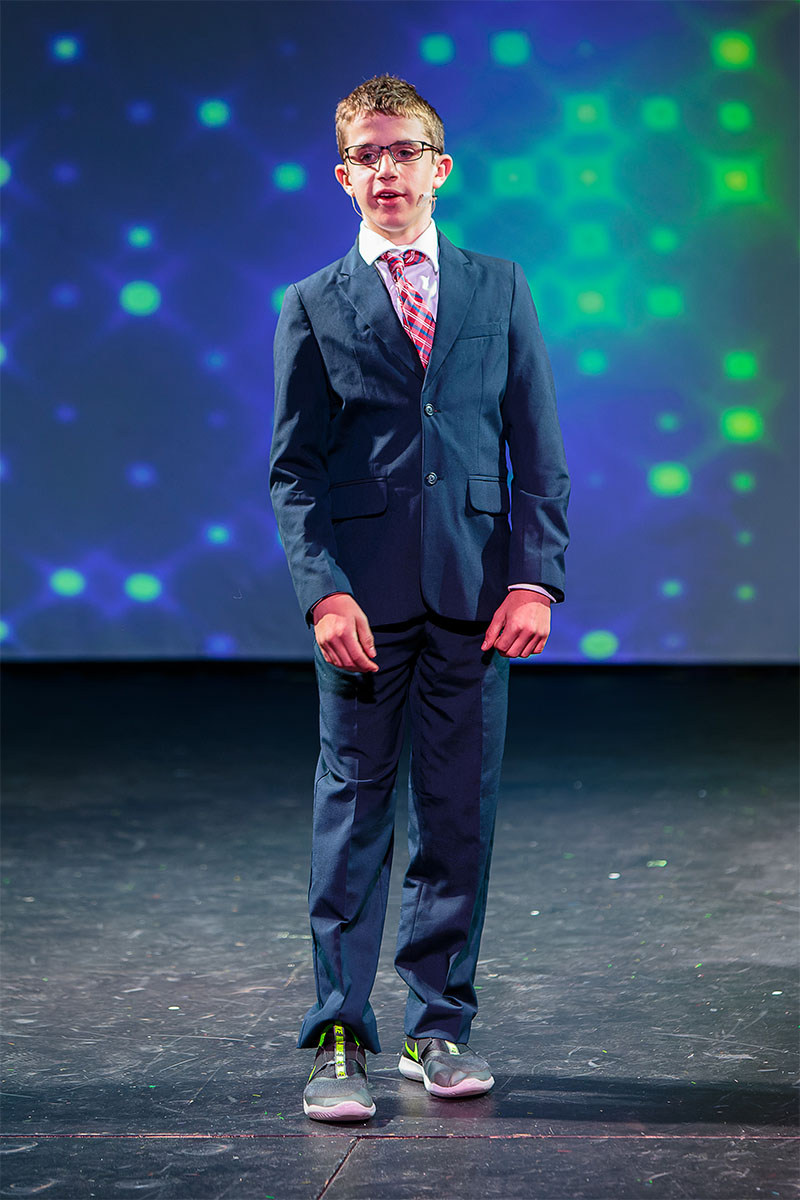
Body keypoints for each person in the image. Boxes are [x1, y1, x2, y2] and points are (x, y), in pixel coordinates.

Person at [270, 75, 570, 1122]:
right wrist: (323, 597)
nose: (386, 171)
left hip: (475, 598)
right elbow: (294, 472)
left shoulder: (497, 288)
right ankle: (339, 1039)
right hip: (363, 605)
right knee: (351, 819)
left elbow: (533, 445)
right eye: (369, 156)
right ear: (343, 174)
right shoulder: (312, 304)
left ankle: (437, 1028)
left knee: (456, 822)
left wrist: (533, 575)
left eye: (405, 153)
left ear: (438, 167)